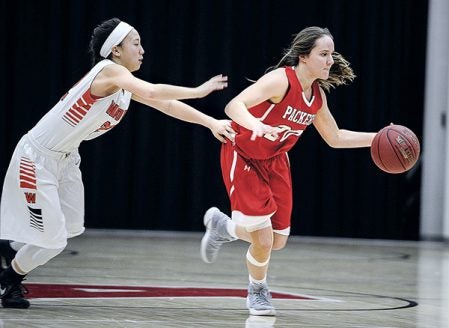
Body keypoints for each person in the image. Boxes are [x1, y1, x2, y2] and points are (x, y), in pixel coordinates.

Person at [0, 17, 235, 309]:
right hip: (36, 158)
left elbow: (166, 104)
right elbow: (152, 91)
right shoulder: (108, 71)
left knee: (72, 227)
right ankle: (9, 278)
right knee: (53, 240)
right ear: (115, 50)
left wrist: (210, 122)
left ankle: (11, 249)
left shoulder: (122, 86)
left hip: (67, 158)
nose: (142, 50)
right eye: (136, 43)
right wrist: (198, 91)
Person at [200, 26, 377, 316]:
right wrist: (257, 126)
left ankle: (223, 227)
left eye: (331, 54)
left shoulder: (317, 96)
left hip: (276, 161)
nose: (330, 60)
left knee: (278, 240)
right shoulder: (280, 80)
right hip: (243, 153)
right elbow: (234, 106)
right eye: (324, 54)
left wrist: (378, 137)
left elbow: (335, 137)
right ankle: (257, 290)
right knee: (265, 239)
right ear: (304, 56)